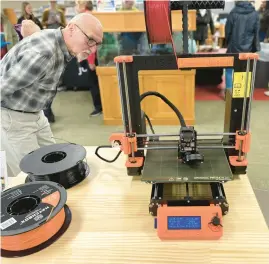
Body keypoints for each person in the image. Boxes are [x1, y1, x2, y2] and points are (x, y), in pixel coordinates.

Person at [0, 13, 103, 177]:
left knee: (54, 164)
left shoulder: (58, 39)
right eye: (90, 40)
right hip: (14, 119)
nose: (93, 49)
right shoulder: (43, 54)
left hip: (36, 114)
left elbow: (36, 36)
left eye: (97, 43)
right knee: (30, 175)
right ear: (71, 29)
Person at [224, 1, 260, 98]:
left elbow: (228, 30)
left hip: (234, 46)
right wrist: (256, 47)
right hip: (248, 47)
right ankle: (243, 94)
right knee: (246, 70)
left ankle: (228, 93)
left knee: (228, 69)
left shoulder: (233, 12)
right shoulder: (254, 14)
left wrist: (228, 41)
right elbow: (256, 32)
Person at [75, 0, 103, 116]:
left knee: (94, 83)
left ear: (83, 5)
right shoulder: (94, 16)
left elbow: (91, 40)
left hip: (93, 55)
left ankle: (99, 108)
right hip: (97, 54)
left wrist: (90, 60)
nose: (76, 7)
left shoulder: (85, 18)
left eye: (77, 4)